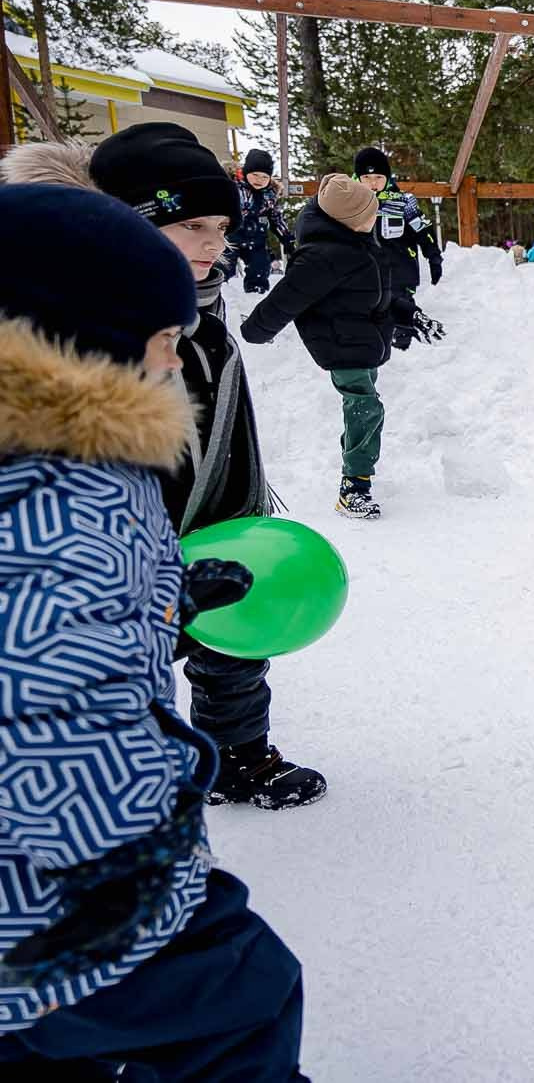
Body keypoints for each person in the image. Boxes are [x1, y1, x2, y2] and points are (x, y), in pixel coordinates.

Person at [0, 180, 309, 1080]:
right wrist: (155, 827)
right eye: (166, 343)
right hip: (75, 900)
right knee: (243, 1002)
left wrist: (170, 602)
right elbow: (43, 733)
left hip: (46, 901)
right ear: (81, 344)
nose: (177, 365)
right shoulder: (57, 511)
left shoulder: (74, 463)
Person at [1, 125, 329, 809]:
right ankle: (116, 789)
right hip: (111, 540)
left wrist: (242, 515)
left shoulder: (205, 327)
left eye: (222, 226)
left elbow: (228, 418)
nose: (215, 243)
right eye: (191, 225)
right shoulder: (75, 328)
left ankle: (238, 753)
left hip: (210, 513)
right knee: (113, 662)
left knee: (234, 633)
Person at [242, 174, 396, 520]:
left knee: (364, 405)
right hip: (341, 343)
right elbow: (285, 299)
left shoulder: (357, 242)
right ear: (350, 220)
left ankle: (356, 469)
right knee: (365, 406)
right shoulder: (322, 256)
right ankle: (354, 485)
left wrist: (402, 315)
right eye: (371, 213)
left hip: (365, 340)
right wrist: (255, 330)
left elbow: (378, 291)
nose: (376, 217)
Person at [352, 146, 443, 349]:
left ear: (388, 177)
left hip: (400, 272)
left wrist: (434, 256)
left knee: (401, 316)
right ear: (357, 178)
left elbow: (422, 229)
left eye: (378, 177)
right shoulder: (348, 203)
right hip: (364, 274)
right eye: (366, 177)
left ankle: (405, 345)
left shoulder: (403, 202)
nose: (373, 183)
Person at [230, 148, 294, 295]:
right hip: (231, 236)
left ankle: (256, 291)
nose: (259, 180)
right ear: (246, 173)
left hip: (255, 239)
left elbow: (276, 219)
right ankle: (221, 289)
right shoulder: (234, 189)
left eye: (264, 177)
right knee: (224, 264)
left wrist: (287, 240)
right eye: (255, 175)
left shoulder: (269, 195)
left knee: (261, 265)